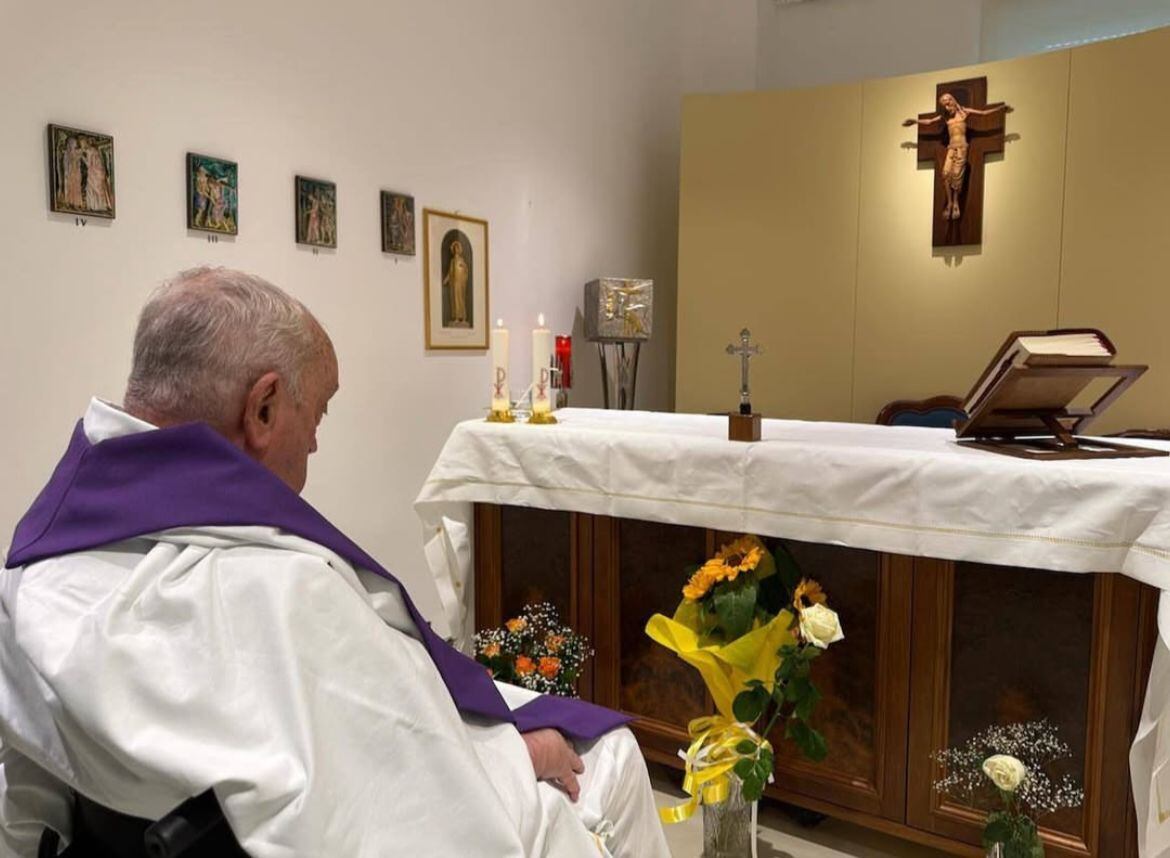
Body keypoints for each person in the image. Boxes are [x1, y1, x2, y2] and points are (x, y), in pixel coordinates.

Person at [0, 267, 669, 857]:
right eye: (316, 412)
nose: (316, 443)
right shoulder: (281, 591)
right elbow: (400, 791)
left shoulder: (39, 565)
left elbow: (33, 784)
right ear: (262, 409)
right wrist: (518, 755)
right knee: (610, 756)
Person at [903, 92, 1012, 221]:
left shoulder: (964, 113)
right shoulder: (945, 117)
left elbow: (983, 113)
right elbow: (930, 121)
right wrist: (915, 121)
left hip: (962, 147)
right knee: (945, 174)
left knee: (956, 175)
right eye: (944, 104)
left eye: (948, 101)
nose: (947, 105)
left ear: (953, 100)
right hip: (951, 147)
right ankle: (949, 202)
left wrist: (1000, 109)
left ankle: (955, 203)